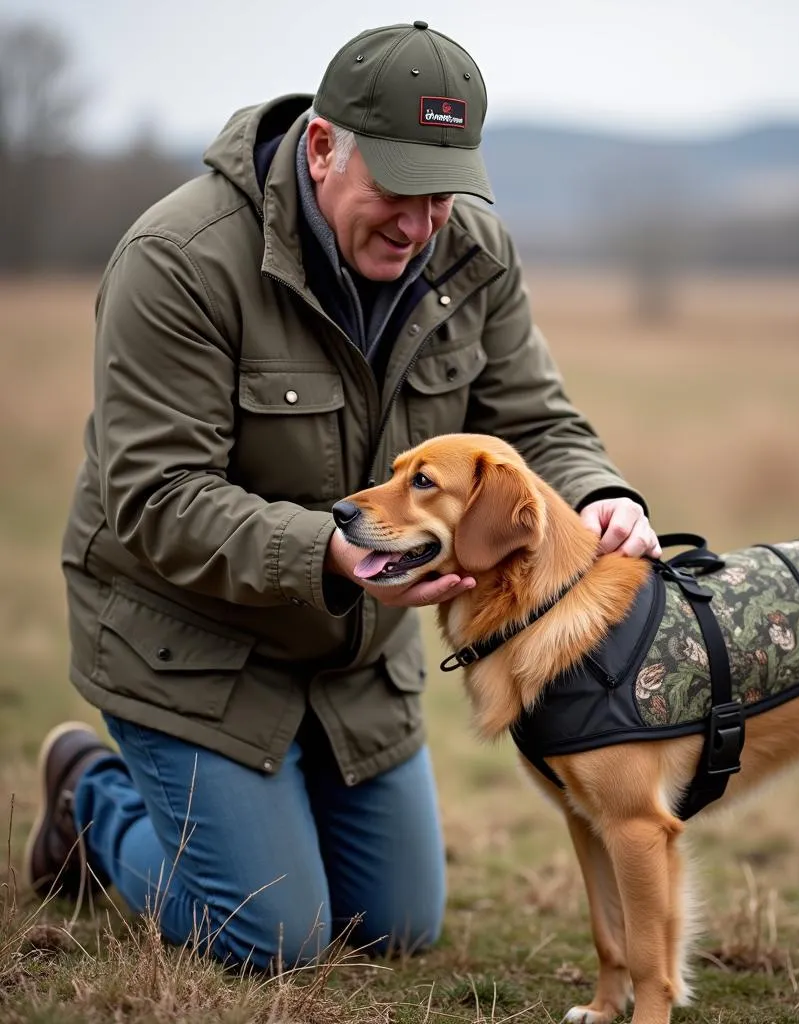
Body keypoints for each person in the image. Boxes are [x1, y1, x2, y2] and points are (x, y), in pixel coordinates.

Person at [25, 21, 660, 969]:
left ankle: (266, 820)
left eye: (444, 195)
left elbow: (533, 425)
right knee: (272, 939)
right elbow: (156, 498)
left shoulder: (470, 253)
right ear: (322, 148)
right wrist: (331, 554)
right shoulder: (178, 259)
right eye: (399, 193)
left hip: (354, 660)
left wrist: (602, 493)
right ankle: (93, 802)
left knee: (395, 928)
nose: (421, 225)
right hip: (191, 643)